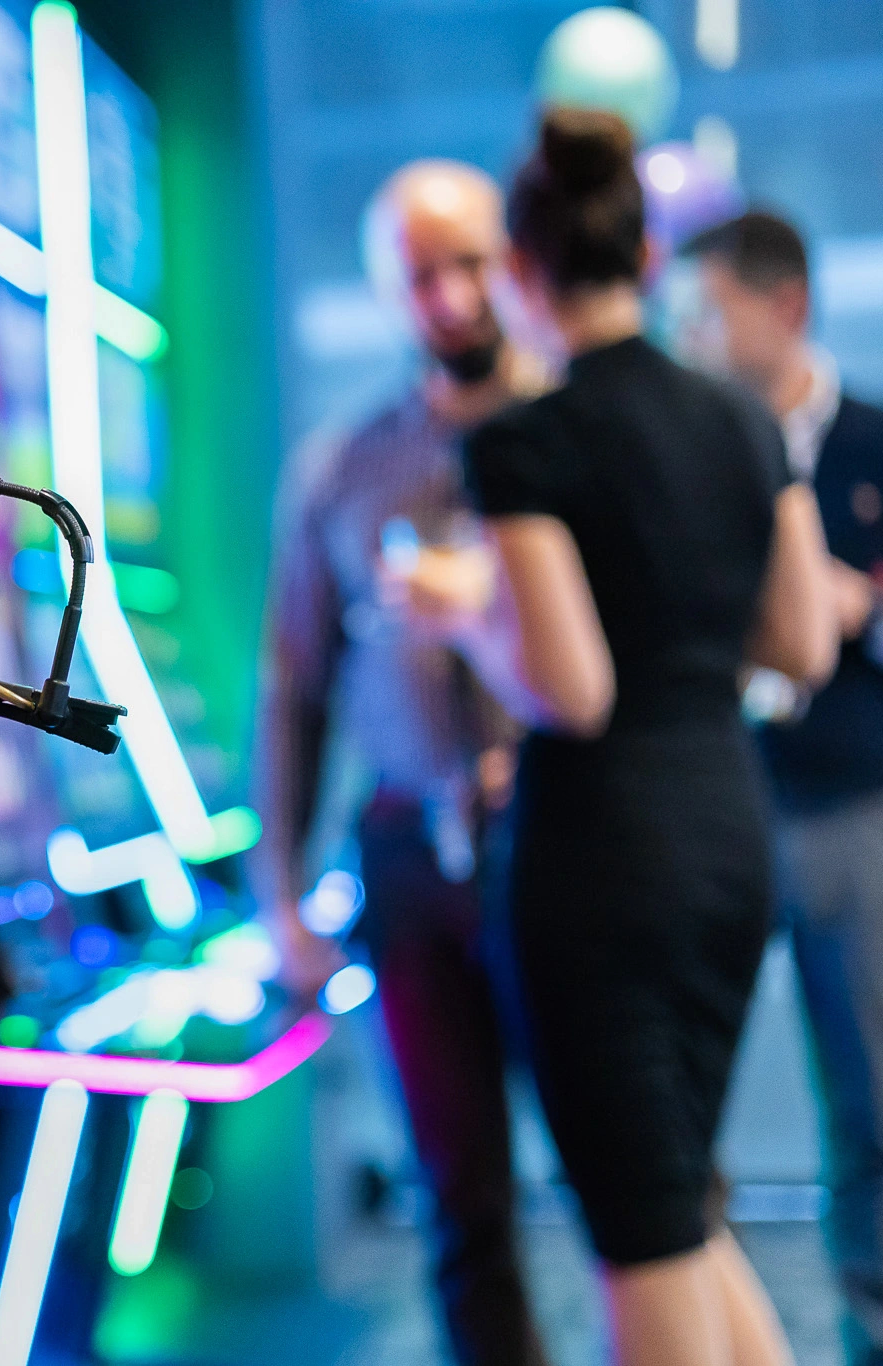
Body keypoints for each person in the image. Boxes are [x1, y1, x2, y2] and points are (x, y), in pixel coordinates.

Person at [455, 110, 837, 1366]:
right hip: (729, 835)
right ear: (646, 257)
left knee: (642, 1226)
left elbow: (569, 688)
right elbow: (801, 643)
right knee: (675, 1201)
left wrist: (469, 623)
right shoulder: (740, 418)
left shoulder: (525, 439)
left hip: (602, 860)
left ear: (521, 273)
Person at [261, 160, 549, 1366]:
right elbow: (293, 688)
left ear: (513, 261)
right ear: (390, 292)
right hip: (402, 854)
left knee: (630, 1179)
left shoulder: (574, 425)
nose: (447, 295)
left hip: (563, 840)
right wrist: (278, 894)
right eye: (419, 274)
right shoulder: (345, 462)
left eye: (468, 262)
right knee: (456, 1194)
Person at [687, 210, 883, 1366]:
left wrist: (868, 610)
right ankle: (698, 1335)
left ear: (781, 306)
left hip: (853, 809)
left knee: (864, 1115)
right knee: (678, 1104)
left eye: (707, 310)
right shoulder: (691, 442)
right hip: (713, 811)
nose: (690, 335)